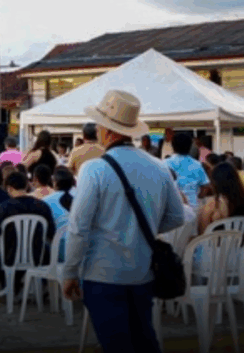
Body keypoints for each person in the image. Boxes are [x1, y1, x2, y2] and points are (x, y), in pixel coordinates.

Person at [62, 90, 186, 353]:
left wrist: (70, 271)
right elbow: (177, 216)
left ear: (107, 131)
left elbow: (78, 227)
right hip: (143, 271)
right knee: (144, 340)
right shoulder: (159, 166)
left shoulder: (95, 169)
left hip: (102, 271)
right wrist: (143, 227)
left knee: (116, 344)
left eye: (98, 124)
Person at [0, 172, 56, 295]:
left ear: (9, 188)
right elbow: (51, 232)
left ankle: (10, 284)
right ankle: (38, 286)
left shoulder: (5, 207)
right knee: (47, 249)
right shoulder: (42, 206)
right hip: (38, 255)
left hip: (9, 256)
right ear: (27, 186)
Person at [198, 162, 244, 235]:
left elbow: (202, 232)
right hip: (242, 245)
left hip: (215, 245)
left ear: (215, 182)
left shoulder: (214, 204)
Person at [164, 133, 209, 209]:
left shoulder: (164, 164)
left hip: (171, 208)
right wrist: (197, 197)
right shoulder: (197, 165)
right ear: (190, 146)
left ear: (173, 146)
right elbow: (205, 186)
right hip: (193, 207)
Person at [43, 169, 75, 262]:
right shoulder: (83, 196)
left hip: (59, 251)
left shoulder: (46, 201)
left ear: (55, 183)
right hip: (84, 249)